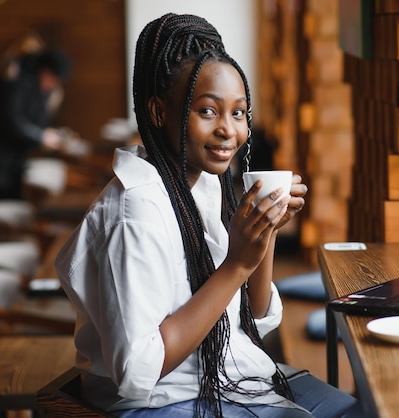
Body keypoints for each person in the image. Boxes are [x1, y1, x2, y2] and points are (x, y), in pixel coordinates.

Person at [55, 13, 366, 418]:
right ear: (158, 111)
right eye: (207, 111)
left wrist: (264, 234)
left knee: (361, 411)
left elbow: (254, 319)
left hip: (230, 376)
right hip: (165, 401)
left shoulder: (202, 184)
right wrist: (237, 264)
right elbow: (137, 371)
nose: (228, 130)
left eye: (238, 113)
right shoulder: (135, 213)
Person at [0, 47, 71, 265]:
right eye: (53, 80)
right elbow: (12, 124)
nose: (53, 85)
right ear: (45, 72)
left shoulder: (33, 87)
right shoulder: (15, 82)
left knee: (0, 229)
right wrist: (41, 137)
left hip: (7, 168)